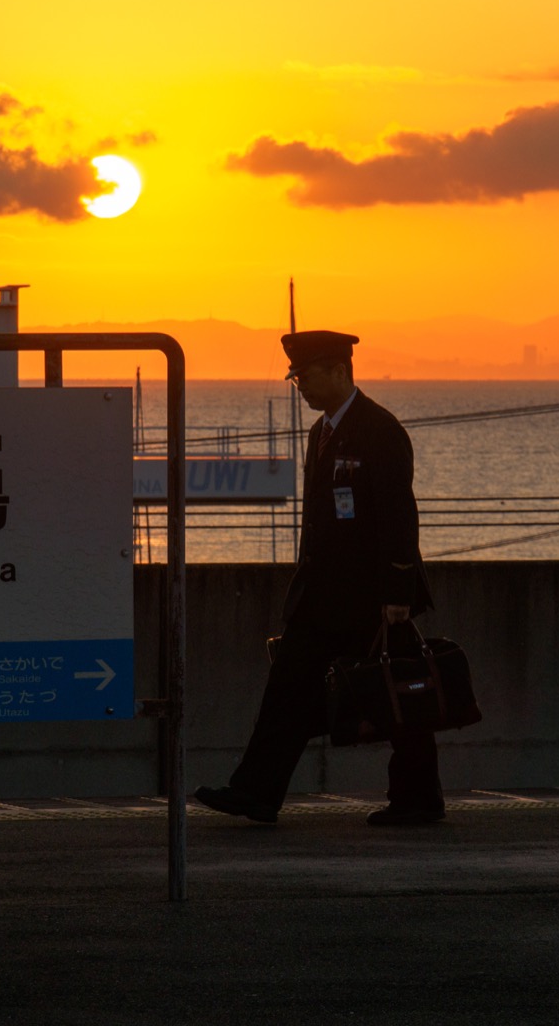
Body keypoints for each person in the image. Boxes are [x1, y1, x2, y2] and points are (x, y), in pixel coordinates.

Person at [194, 330, 444, 826]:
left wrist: (397, 592)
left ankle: (418, 799)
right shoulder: (321, 432)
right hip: (323, 597)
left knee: (396, 695)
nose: (300, 387)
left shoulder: (380, 430)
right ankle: (257, 793)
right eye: (296, 379)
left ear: (338, 370)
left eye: (305, 376)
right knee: (288, 686)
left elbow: (398, 516)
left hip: (371, 598)